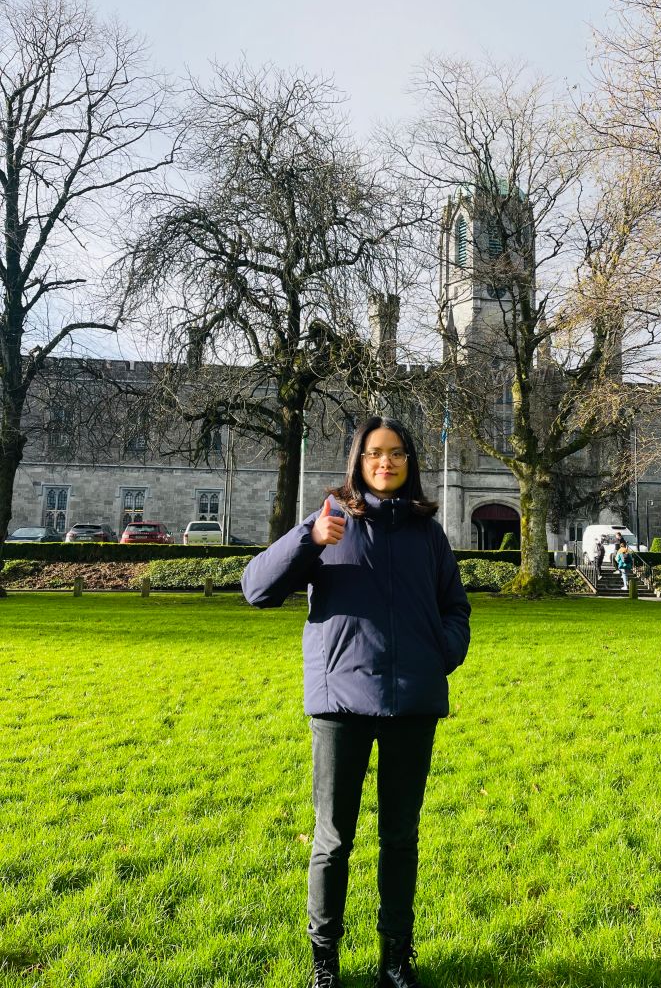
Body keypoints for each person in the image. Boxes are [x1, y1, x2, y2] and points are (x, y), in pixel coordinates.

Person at [241, 416, 471, 988]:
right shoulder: (332, 520)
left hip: (411, 704)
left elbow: (455, 608)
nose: (385, 463)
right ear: (358, 460)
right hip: (340, 703)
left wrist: (437, 655)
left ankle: (395, 960)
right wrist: (308, 539)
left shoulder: (427, 532)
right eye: (374, 454)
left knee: (400, 837)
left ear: (409, 462)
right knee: (333, 839)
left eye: (395, 453)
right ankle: (326, 961)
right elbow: (256, 590)